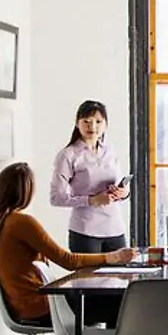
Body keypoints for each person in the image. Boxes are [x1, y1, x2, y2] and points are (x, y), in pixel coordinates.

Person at [0, 162, 135, 328]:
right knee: (123, 303)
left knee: (111, 301)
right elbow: (68, 261)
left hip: (23, 308)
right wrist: (113, 257)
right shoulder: (21, 223)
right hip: (43, 307)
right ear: (28, 191)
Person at [51, 100, 131, 254]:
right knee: (89, 271)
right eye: (86, 121)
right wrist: (91, 200)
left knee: (121, 270)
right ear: (77, 123)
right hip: (85, 231)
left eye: (98, 121)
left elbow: (121, 186)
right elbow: (56, 198)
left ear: (106, 124)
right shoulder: (68, 155)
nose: (92, 126)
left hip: (115, 229)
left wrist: (123, 193)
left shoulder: (110, 151)